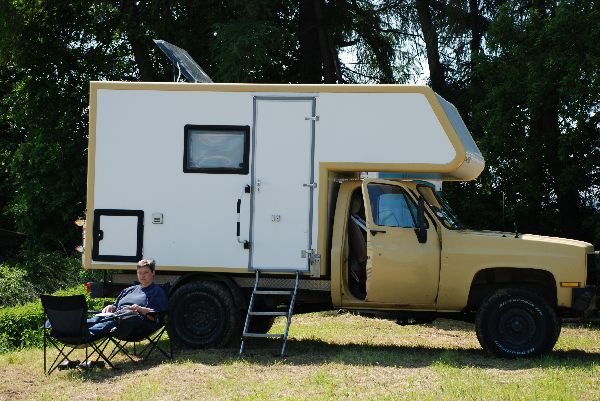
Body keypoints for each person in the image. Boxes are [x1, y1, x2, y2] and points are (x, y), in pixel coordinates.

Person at [87, 259, 168, 338]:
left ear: (153, 273)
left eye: (146, 272)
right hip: (116, 316)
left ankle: (89, 333)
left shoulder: (157, 291)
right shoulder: (128, 290)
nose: (142, 276)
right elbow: (116, 306)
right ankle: (79, 329)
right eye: (139, 273)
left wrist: (140, 309)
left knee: (120, 318)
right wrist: (111, 307)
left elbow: (156, 315)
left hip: (135, 322)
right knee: (99, 317)